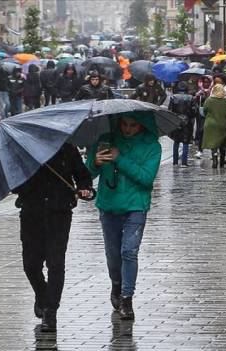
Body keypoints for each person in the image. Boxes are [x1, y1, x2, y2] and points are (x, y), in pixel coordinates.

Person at [86, 112, 161, 321]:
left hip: (136, 205)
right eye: (124, 124)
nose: (128, 129)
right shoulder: (105, 141)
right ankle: (116, 286)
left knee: (129, 251)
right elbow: (86, 174)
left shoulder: (151, 146)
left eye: (133, 125)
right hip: (109, 205)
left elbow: (146, 178)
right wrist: (95, 163)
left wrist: (120, 158)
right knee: (113, 254)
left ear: (142, 126)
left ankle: (127, 298)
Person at [13, 144, 94, 332]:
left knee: (55, 263)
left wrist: (84, 188)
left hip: (59, 212)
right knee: (31, 265)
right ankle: (42, 295)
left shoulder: (67, 149)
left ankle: (51, 311)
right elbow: (15, 184)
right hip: (31, 213)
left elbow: (83, 176)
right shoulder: (26, 151)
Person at [201, 84, 226, 168]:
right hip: (223, 123)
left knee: (213, 143)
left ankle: (215, 158)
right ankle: (222, 161)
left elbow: (204, 111)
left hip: (211, 124)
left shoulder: (209, 100)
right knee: (223, 142)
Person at [168, 81, 197, 167]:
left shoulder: (173, 97)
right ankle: (184, 162)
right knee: (185, 142)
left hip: (176, 121)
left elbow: (170, 110)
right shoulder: (191, 98)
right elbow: (194, 111)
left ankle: (175, 162)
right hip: (187, 122)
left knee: (176, 142)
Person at [193, 75, 212, 159]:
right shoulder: (199, 92)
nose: (206, 84)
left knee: (211, 132)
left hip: (211, 114)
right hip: (201, 114)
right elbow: (193, 102)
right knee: (201, 131)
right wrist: (197, 96)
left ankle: (213, 151)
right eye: (204, 82)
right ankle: (200, 150)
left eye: (208, 82)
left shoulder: (213, 92)